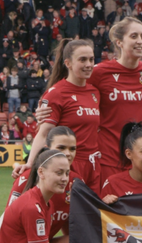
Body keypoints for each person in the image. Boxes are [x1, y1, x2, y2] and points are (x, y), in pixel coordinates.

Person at [19, 39, 101, 194]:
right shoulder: (56, 93)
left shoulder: (94, 92)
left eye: (91, 59)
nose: (89, 64)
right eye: (82, 60)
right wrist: (30, 163)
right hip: (67, 165)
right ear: (68, 63)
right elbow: (43, 133)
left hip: (93, 166)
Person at [87, 17, 142, 189]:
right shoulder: (100, 72)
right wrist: (46, 106)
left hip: (137, 160)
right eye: (134, 36)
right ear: (119, 42)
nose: (140, 41)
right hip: (108, 159)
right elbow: (71, 87)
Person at [8, 127, 80, 243]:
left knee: (85, 241)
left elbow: (69, 223)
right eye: (61, 148)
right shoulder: (25, 178)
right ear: (47, 148)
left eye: (72, 149)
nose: (68, 153)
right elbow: (8, 224)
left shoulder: (76, 181)